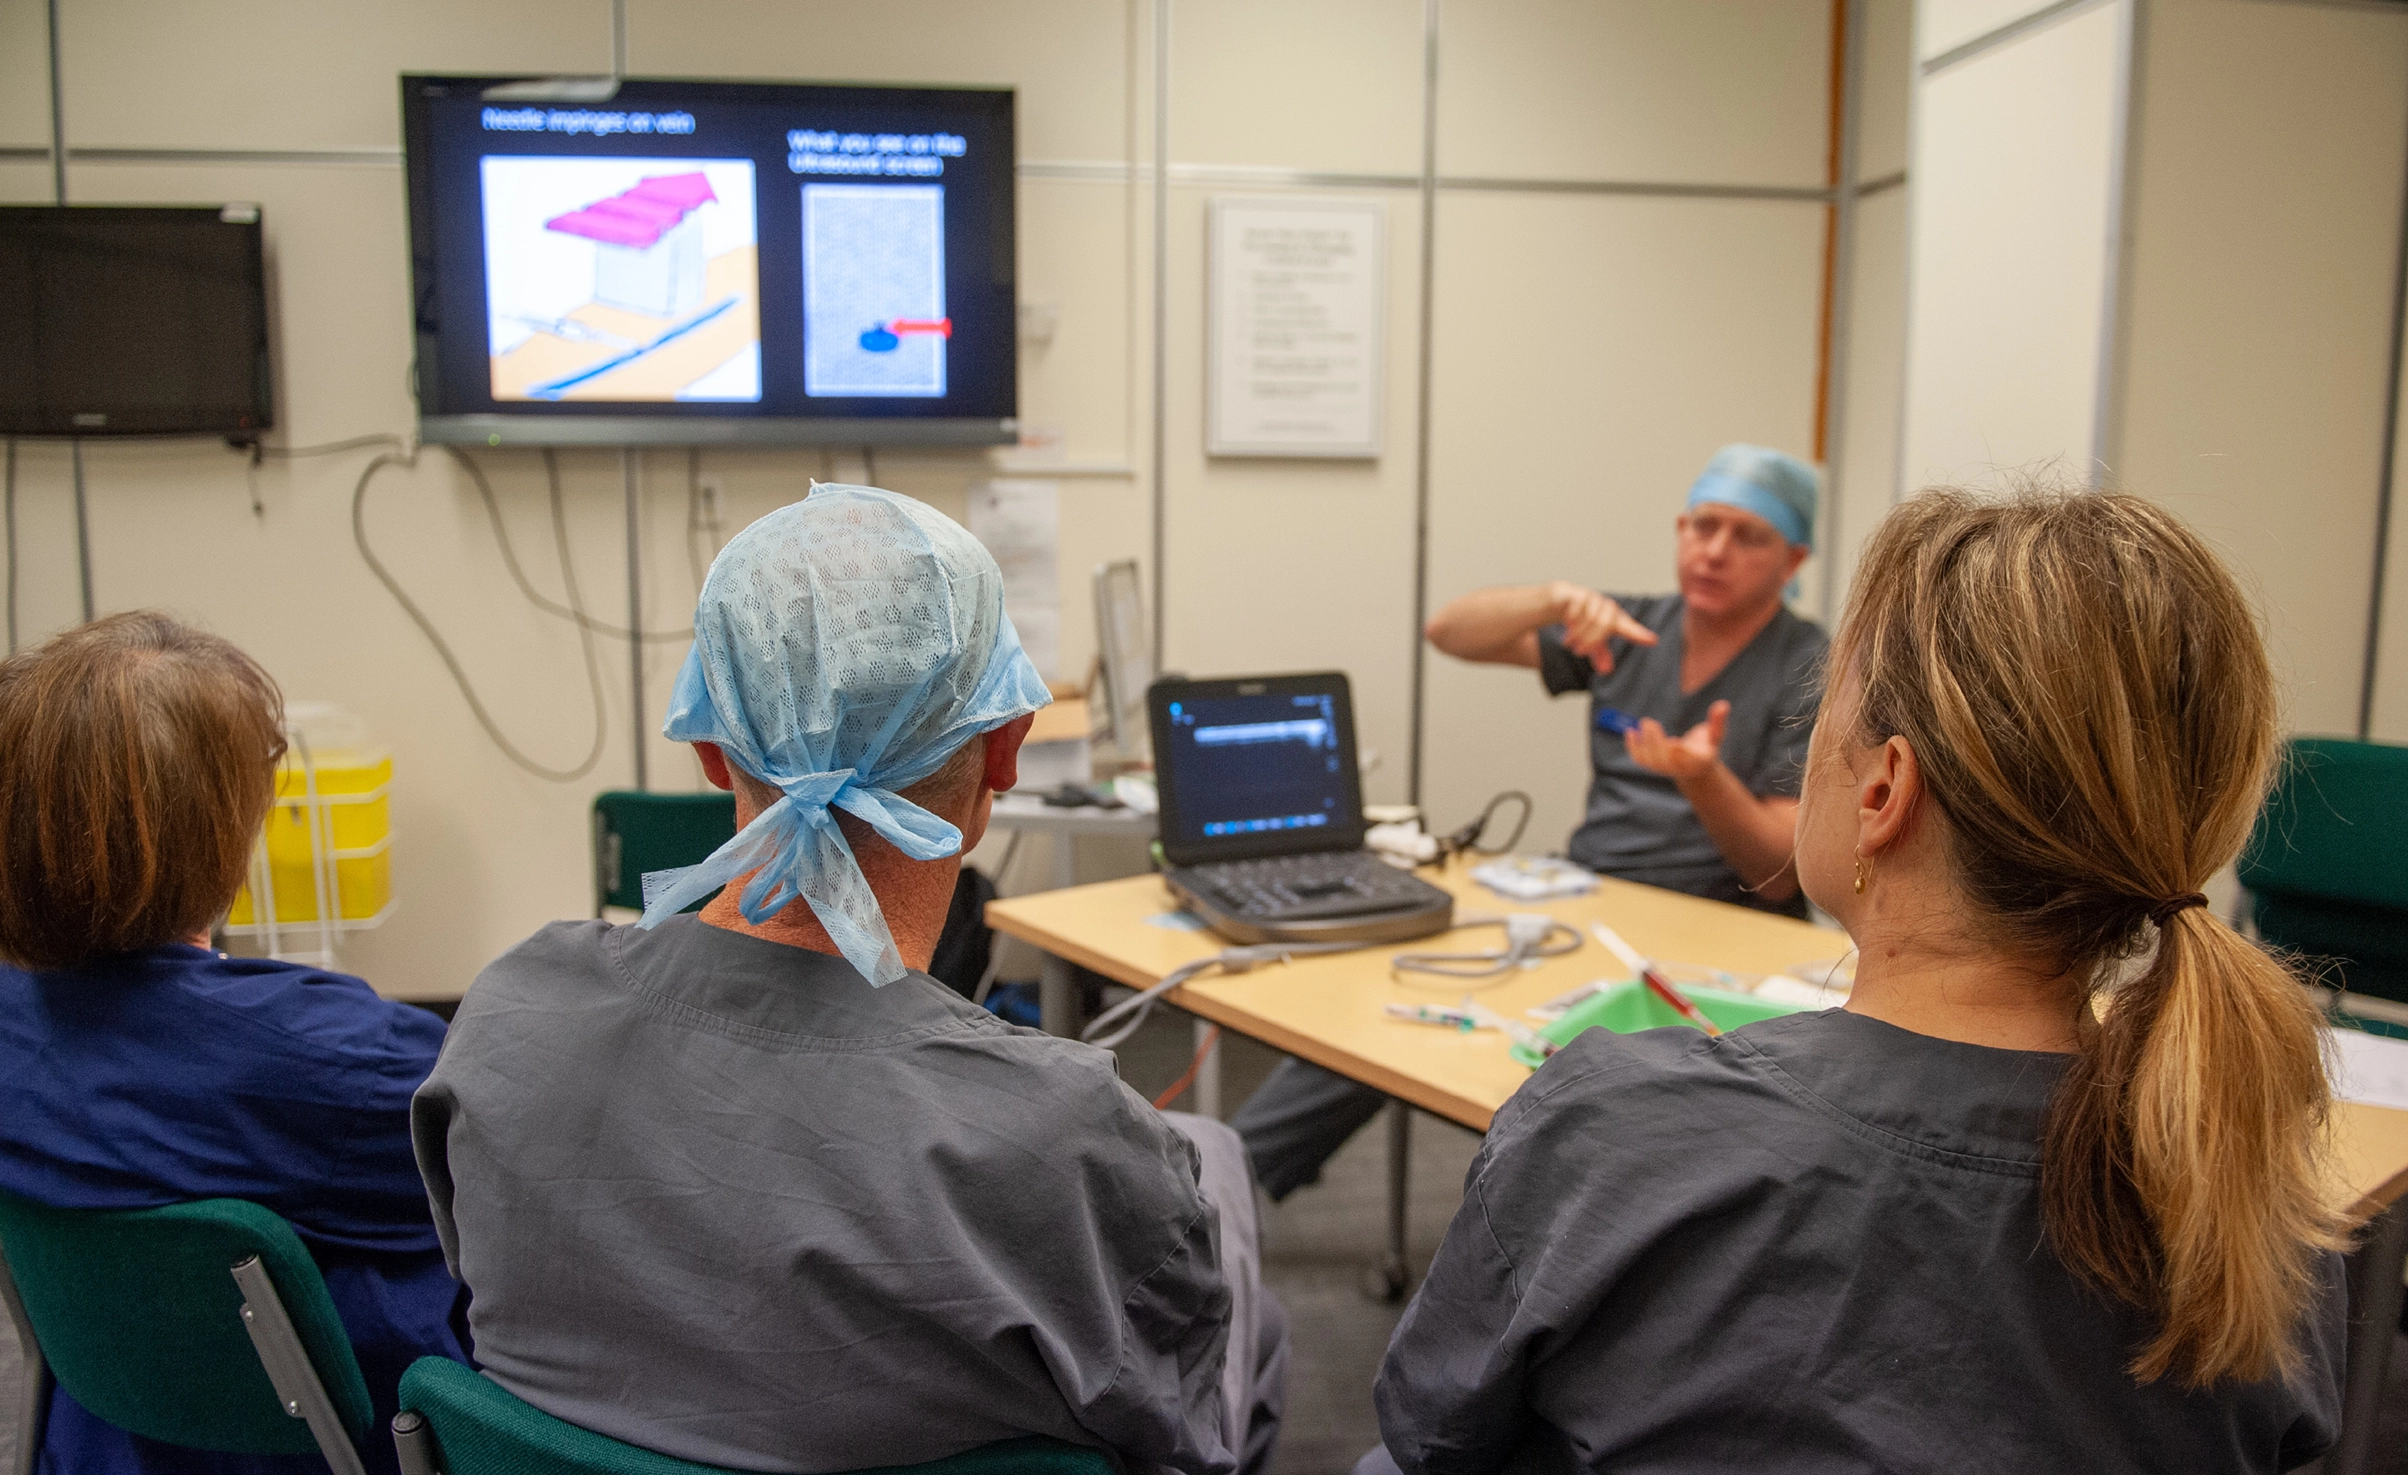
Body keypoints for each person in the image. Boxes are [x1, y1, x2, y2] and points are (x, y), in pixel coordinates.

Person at [1365, 488, 2347, 1474]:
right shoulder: (2255, 1199)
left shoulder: (1607, 1129)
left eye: (1817, 714)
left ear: (1881, 791)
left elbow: (1432, 1429)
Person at [414, 485, 1288, 1475]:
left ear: (707, 747)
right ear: (1004, 749)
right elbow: (1177, 1427)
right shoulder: (1067, 1135)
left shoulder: (508, 1019)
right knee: (1213, 1162)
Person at [1230, 443, 1829, 1201]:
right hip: (1589, 903)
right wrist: (1552, 598)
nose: (1714, 550)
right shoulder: (1628, 628)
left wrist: (1705, 780)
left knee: (1601, 1113)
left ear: (1793, 557)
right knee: (1388, 1018)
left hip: (1717, 930)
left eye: (1748, 536)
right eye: (1702, 525)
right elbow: (1451, 631)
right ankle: (1212, 1193)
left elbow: (1779, 866)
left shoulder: (1811, 666)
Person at [0, 612, 468, 1475]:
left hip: (110, 1438)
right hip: (345, 1437)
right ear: (220, 827)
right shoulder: (343, 1062)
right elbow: (515, 1189)